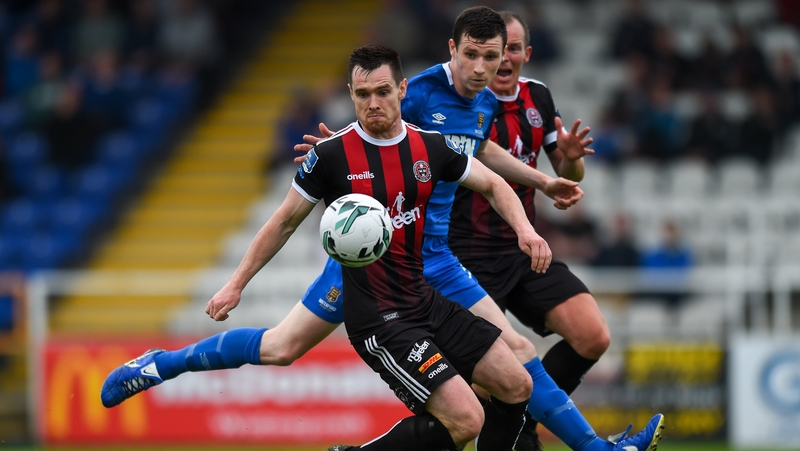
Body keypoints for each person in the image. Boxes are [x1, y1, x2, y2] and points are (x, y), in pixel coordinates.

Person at [102, 8, 665, 451]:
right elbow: (368, 128)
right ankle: (160, 362)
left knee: (514, 354)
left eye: (492, 58)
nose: (482, 68)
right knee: (279, 348)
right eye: (473, 55)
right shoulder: (416, 91)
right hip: (367, 264)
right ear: (453, 52)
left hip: (434, 261)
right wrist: (337, 147)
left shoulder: (477, 109)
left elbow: (480, 156)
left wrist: (539, 186)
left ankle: (592, 447)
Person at [447, 12, 612, 449]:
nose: (503, 60)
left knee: (593, 335)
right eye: (495, 52)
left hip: (522, 252)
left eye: (513, 49)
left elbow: (567, 171)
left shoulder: (537, 97)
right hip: (465, 257)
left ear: (522, 54)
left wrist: (572, 158)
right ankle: (523, 427)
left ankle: (532, 418)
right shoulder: (461, 104)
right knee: (491, 382)